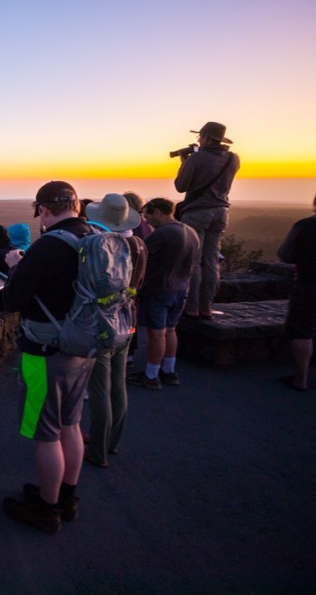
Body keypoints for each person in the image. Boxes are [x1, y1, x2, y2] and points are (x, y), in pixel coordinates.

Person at [1, 180, 95, 533]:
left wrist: (15, 265)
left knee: (46, 434)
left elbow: (13, 301)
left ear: (42, 210)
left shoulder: (47, 247)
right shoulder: (93, 236)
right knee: (70, 424)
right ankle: (66, 496)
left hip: (45, 352)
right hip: (82, 348)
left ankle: (46, 507)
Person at [82, 194, 147, 468]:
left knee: (99, 388)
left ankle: (98, 450)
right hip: (128, 318)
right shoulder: (140, 243)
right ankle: (112, 441)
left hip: (104, 324)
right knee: (118, 385)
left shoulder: (104, 244)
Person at [128, 198, 200, 390]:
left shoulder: (163, 234)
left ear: (159, 211)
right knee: (170, 330)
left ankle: (151, 375)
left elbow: (138, 255)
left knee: (156, 334)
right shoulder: (191, 232)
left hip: (159, 289)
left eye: (148, 215)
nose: (147, 221)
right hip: (181, 288)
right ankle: (169, 370)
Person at [174, 121, 240, 320]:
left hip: (197, 212)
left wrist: (185, 163)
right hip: (221, 211)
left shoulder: (197, 158)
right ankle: (206, 308)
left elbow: (181, 185)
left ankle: (192, 308)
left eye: (200, 137)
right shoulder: (233, 158)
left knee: (194, 260)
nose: (199, 140)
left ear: (206, 137)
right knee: (211, 261)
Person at [278, 187, 316, 392]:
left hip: (309, 284)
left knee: (303, 331)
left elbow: (285, 254)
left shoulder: (304, 226)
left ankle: (301, 378)